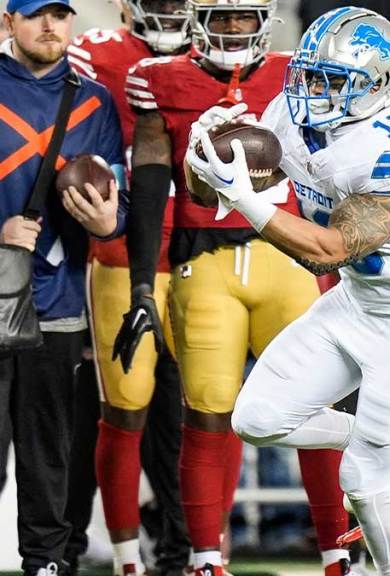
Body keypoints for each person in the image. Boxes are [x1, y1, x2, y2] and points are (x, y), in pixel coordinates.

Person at [185, 7, 390, 576]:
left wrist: (244, 197)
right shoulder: (290, 114)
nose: (314, 91)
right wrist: (207, 155)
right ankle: (384, 436)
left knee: (364, 478)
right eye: (311, 75)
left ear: (378, 84)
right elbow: (207, 195)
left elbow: (331, 249)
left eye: (333, 81)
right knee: (257, 418)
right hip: (355, 304)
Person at [115, 1, 349, 574]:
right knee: (208, 412)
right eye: (221, 16)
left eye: (244, 16)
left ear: (263, 20)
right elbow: (149, 191)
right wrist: (143, 286)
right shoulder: (160, 80)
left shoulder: (298, 73)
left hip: (289, 263)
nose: (234, 28)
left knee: (316, 405)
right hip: (204, 264)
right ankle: (203, 558)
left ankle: (336, 552)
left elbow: (335, 171)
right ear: (199, 19)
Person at [0, 0, 128, 572]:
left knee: (48, 446)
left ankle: (46, 562)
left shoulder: (94, 99)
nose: (50, 26)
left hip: (58, 299)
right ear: (9, 23)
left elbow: (115, 200)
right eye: (34, 15)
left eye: (59, 14)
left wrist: (108, 222)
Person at [66, 2, 192, 573]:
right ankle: (72, 547)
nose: (167, 10)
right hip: (114, 248)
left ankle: (184, 548)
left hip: (196, 255)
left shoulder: (217, 55)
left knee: (189, 415)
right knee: (114, 408)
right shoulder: (97, 53)